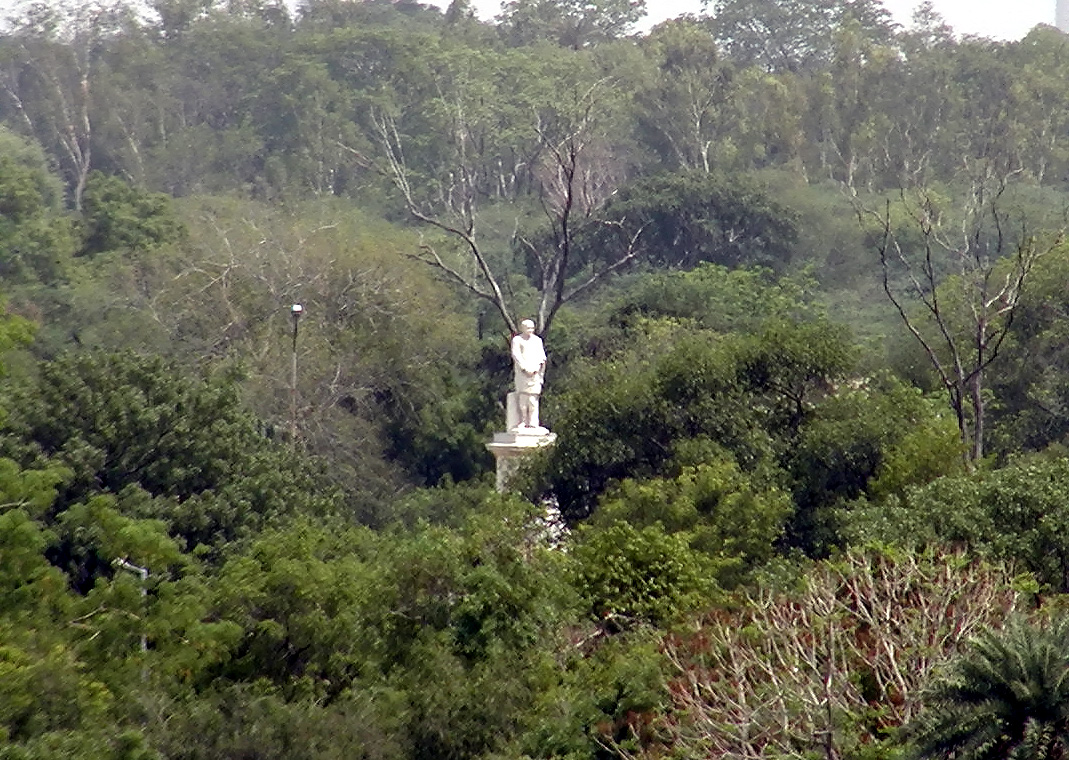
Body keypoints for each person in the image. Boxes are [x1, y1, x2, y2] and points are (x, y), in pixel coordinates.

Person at [511, 319, 546, 429]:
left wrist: (537, 368)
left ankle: (533, 421)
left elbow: (542, 356)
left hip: (535, 373)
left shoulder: (537, 340)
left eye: (532, 328)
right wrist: (525, 368)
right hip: (523, 373)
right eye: (528, 328)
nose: (530, 330)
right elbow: (516, 355)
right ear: (523, 328)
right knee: (523, 399)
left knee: (532, 400)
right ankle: (523, 420)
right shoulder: (517, 340)